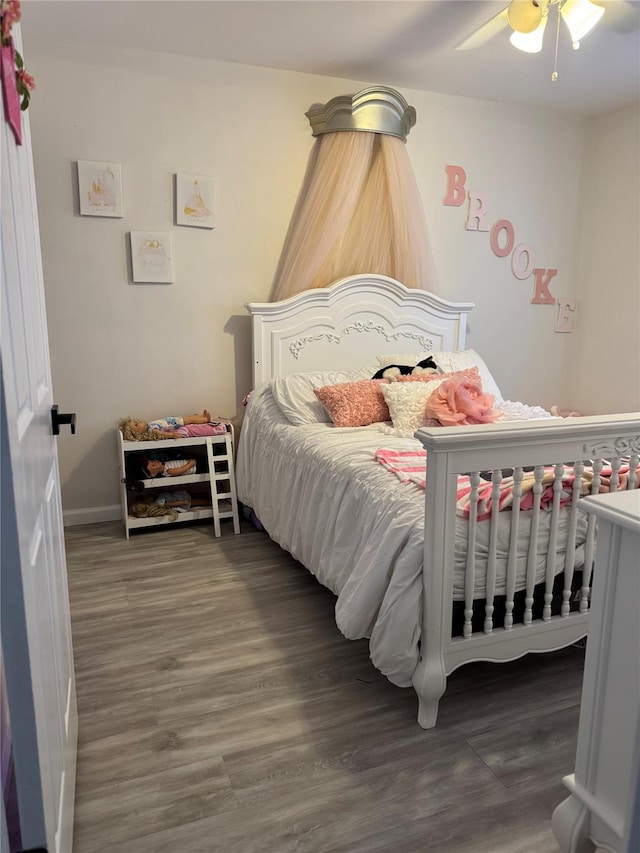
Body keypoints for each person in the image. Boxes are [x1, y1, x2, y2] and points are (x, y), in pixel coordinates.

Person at [118, 410, 218, 441]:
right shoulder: (151, 430)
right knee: (190, 419)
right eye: (136, 425)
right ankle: (206, 419)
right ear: (136, 433)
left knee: (190, 417)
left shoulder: (149, 425)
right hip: (174, 424)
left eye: (136, 421)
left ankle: (202, 416)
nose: (138, 423)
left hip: (172, 420)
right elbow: (161, 433)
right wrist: (172, 435)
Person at [128, 490, 211, 520]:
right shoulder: (159, 503)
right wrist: (183, 502)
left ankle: (208, 497)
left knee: (196, 497)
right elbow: (171, 504)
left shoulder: (157, 500)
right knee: (196, 501)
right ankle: (210, 501)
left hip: (179, 497)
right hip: (180, 500)